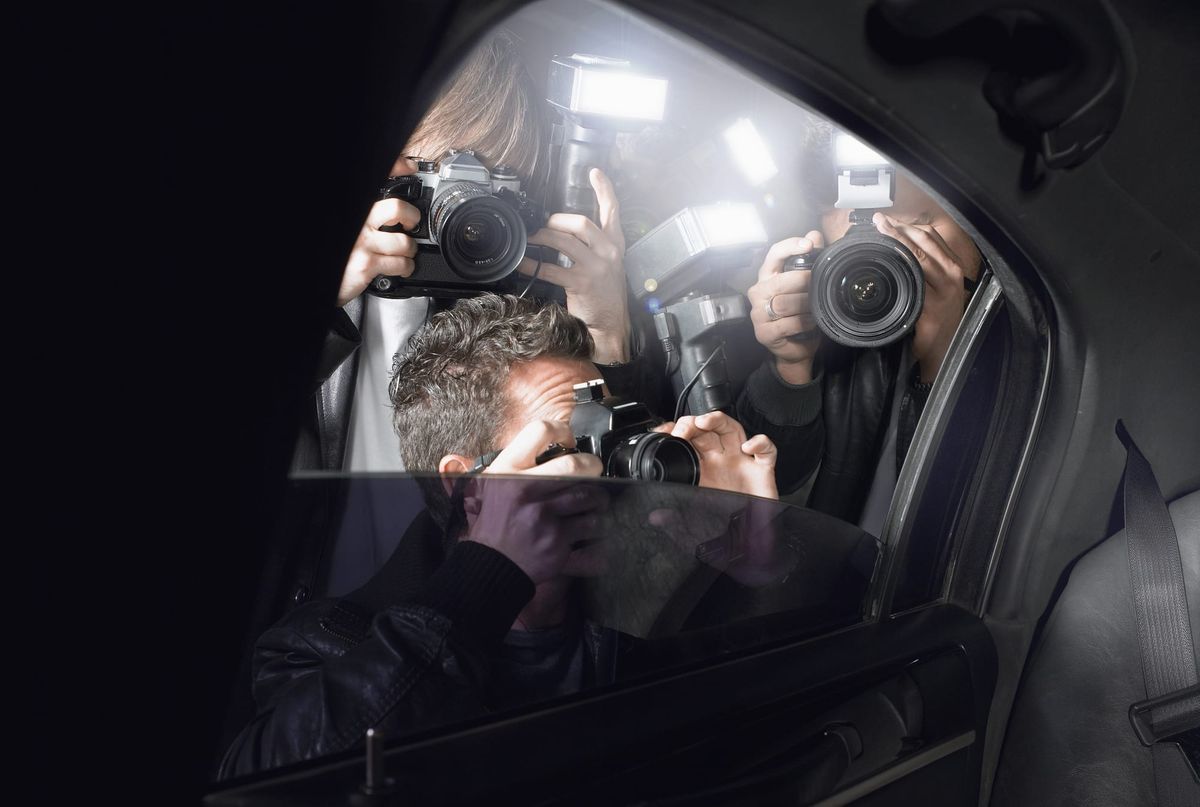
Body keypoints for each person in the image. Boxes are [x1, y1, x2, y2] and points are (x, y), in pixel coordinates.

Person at [218, 295, 792, 778]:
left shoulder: (655, 601)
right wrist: (487, 571)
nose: (607, 474)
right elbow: (274, 782)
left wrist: (748, 562)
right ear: (467, 486)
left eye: (612, 438)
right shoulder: (320, 644)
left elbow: (769, 748)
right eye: (570, 449)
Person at [735, 121, 982, 533]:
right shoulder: (836, 340)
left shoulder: (1046, 343)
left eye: (916, 225)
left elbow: (961, 524)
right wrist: (791, 368)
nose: (890, 258)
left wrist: (945, 364)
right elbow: (771, 498)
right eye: (861, 240)